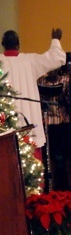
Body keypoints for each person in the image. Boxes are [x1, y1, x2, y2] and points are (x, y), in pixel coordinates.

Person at [0, 28, 65, 149]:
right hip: (28, 119)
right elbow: (56, 58)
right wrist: (55, 39)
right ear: (18, 45)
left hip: (4, 120)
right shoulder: (30, 61)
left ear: (3, 44)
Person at [37, 57, 71, 190]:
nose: (51, 71)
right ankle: (53, 186)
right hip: (48, 123)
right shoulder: (40, 81)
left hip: (64, 121)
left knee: (67, 155)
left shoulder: (66, 80)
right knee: (50, 156)